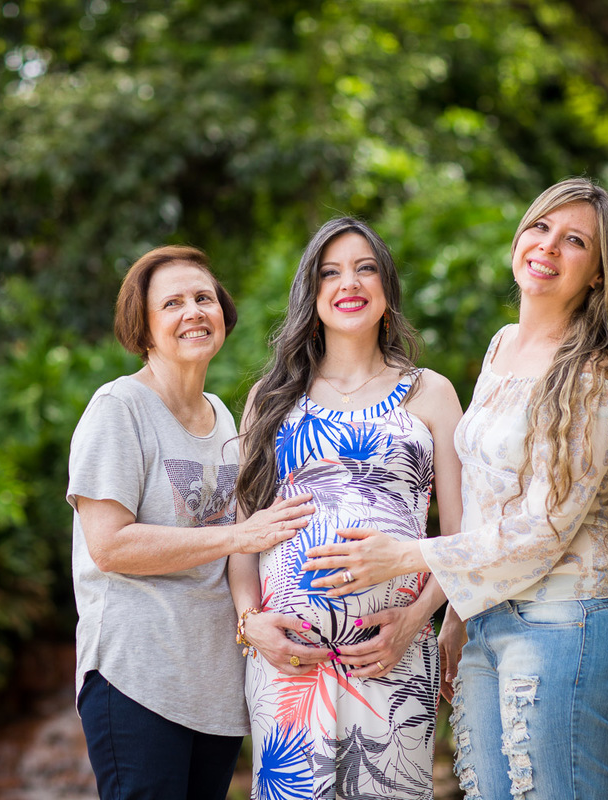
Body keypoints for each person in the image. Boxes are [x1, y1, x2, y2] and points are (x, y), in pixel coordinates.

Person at [302, 177, 608, 800]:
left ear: (600, 274)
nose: (548, 247)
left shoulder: (592, 374)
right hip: (489, 621)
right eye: (541, 227)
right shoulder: (503, 346)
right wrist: (455, 618)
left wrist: (411, 555)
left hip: (568, 622)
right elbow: (483, 503)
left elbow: (544, 530)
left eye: (575, 240)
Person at [66, 245, 314, 800]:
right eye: (172, 303)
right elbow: (109, 547)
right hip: (136, 680)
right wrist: (237, 535)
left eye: (204, 298)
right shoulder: (119, 407)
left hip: (213, 690)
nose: (194, 311)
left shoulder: (223, 415)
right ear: (145, 327)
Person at [229, 217, 464, 800]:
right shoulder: (272, 397)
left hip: (394, 655)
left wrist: (414, 622)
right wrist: (250, 623)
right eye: (329, 272)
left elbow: (463, 538)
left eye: (365, 268)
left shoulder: (430, 392)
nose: (348, 283)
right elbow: (244, 534)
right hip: (289, 662)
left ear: (386, 289)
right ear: (310, 296)